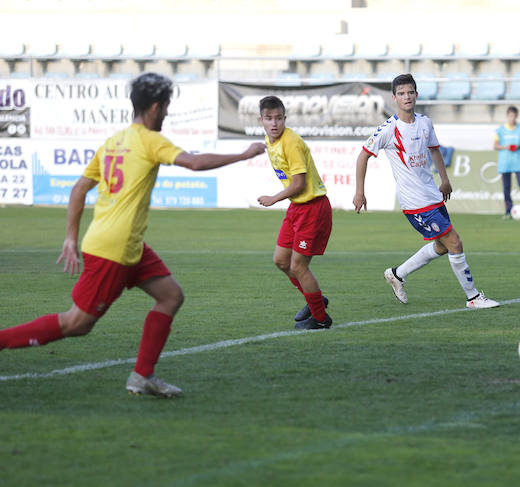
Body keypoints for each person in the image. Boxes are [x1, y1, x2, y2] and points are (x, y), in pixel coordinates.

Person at [0, 73, 266, 397]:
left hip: (129, 245)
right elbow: (194, 163)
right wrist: (244, 154)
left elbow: (79, 188)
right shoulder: (149, 140)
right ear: (155, 107)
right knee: (77, 323)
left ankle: (142, 376)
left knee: (171, 296)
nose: (166, 113)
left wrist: (71, 237)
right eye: (166, 107)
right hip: (113, 248)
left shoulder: (114, 141)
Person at [353, 73, 500, 310]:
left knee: (442, 246)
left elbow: (434, 150)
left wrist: (444, 179)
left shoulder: (424, 122)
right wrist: (360, 192)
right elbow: (363, 156)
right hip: (415, 202)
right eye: (401, 93)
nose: (406, 97)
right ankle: (473, 298)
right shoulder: (388, 129)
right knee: (455, 242)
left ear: (416, 95)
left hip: (432, 194)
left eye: (410, 92)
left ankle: (397, 274)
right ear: (394, 98)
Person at [257, 96, 333, 330]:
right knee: (281, 261)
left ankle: (321, 319)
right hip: (297, 207)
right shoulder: (269, 140)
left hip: (312, 207)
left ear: (284, 119)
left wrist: (273, 198)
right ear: (261, 120)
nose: (274, 123)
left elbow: (299, 183)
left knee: (299, 266)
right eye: (269, 119)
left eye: (278, 118)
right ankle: (316, 301)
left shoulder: (291, 142)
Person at [493, 106, 520, 220]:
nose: (512, 118)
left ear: (516, 116)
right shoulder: (500, 130)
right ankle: (508, 211)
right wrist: (506, 146)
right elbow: (495, 146)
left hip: (518, 162)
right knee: (506, 188)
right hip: (505, 162)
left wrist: (518, 146)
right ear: (507, 116)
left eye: (514, 116)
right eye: (510, 116)